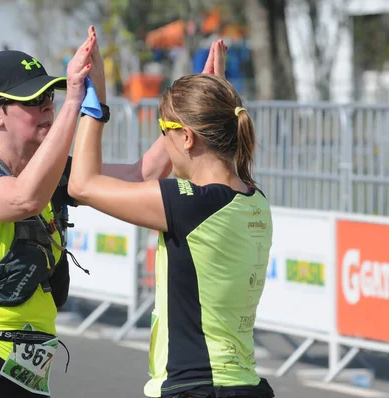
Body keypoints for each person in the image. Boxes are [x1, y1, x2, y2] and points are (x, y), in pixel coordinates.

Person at [0, 28, 174, 398]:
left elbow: (141, 175)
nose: (47, 104)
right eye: (33, 99)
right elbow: (24, 199)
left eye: (50, 95)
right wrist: (73, 105)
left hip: (27, 365)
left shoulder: (47, 172)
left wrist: (185, 112)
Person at [68, 35, 275, 398]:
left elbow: (82, 184)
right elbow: (148, 176)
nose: (162, 144)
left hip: (195, 386)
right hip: (243, 385)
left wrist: (93, 102)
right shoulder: (253, 198)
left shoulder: (189, 204)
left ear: (189, 138)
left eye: (164, 133)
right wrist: (209, 95)